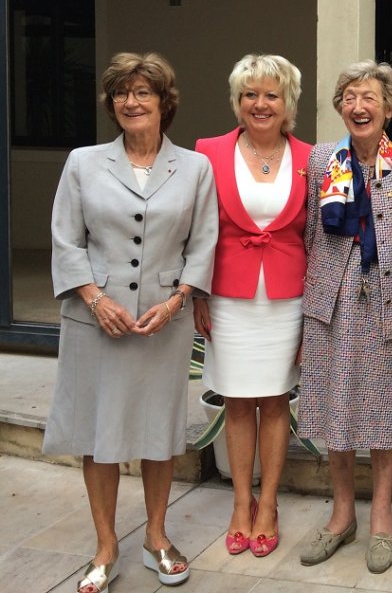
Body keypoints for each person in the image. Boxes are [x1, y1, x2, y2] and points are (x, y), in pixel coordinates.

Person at [44, 52, 218, 593]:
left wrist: (176, 303)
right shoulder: (83, 162)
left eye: (143, 92)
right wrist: (96, 300)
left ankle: (156, 538)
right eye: (121, 92)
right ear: (111, 102)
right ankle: (105, 546)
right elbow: (65, 239)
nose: (131, 101)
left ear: (164, 103)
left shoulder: (194, 167)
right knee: (98, 434)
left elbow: (205, 242)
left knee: (157, 435)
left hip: (161, 323)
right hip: (96, 319)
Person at [297, 60, 392, 574]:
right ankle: (341, 516)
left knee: (381, 415)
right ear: (340, 106)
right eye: (350, 97)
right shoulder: (321, 162)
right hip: (330, 304)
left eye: (369, 97)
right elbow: (311, 239)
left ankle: (381, 516)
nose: (359, 106)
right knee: (335, 408)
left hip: (387, 304)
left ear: (389, 107)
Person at [193, 54, 312, 558]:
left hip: (288, 298)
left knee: (276, 399)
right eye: (250, 94)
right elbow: (195, 230)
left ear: (288, 103)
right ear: (238, 102)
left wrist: (317, 314)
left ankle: (269, 504)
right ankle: (240, 503)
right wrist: (196, 291)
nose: (261, 104)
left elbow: (322, 238)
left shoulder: (315, 156)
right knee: (239, 402)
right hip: (227, 295)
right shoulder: (207, 152)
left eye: (271, 94)